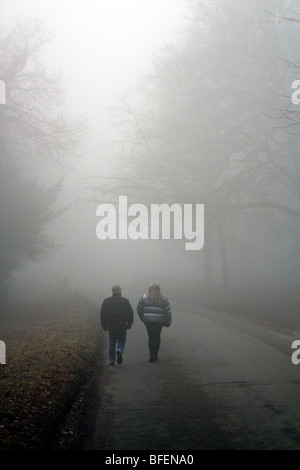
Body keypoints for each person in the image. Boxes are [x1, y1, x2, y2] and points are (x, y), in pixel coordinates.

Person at [137, 281, 172, 363]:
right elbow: (167, 311)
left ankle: (151, 354)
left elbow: (139, 308)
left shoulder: (144, 297)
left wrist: (142, 317)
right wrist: (168, 321)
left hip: (148, 321)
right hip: (159, 321)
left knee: (151, 337)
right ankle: (155, 354)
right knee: (157, 336)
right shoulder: (163, 298)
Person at [100, 285, 133, 366]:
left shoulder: (106, 301)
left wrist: (104, 325)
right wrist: (129, 323)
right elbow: (130, 313)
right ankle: (120, 350)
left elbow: (102, 314)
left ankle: (111, 360)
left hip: (111, 325)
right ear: (120, 291)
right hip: (122, 325)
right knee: (122, 340)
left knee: (112, 342)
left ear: (112, 291)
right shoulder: (125, 301)